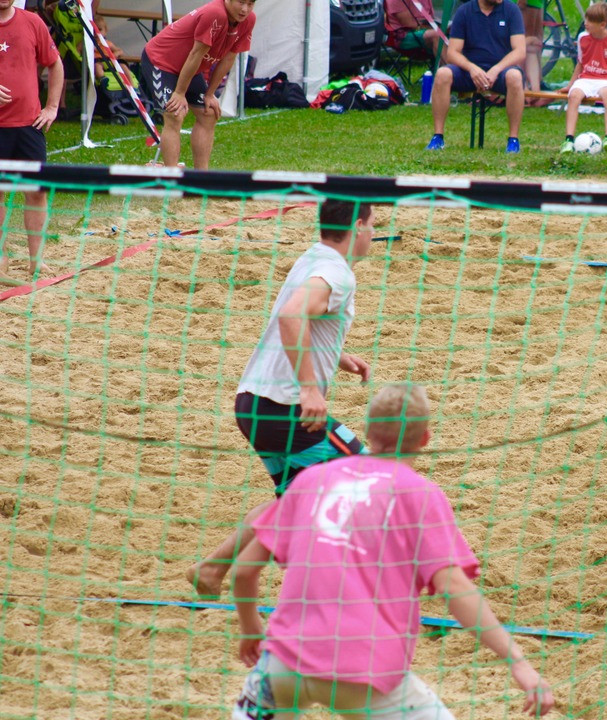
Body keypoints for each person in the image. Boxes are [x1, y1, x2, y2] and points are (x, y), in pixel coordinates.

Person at [230, 383, 556, 720]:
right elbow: (454, 587)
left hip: (283, 663)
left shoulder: (312, 479)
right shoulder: (419, 493)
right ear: (425, 439)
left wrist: (251, 627)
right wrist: (519, 663)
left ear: (367, 432)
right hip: (365, 671)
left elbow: (242, 570)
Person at [186, 199, 374, 598]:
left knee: (291, 502)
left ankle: (212, 570)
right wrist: (309, 387)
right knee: (369, 479)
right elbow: (291, 317)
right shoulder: (336, 273)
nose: (374, 233)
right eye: (373, 225)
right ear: (358, 226)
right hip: (284, 408)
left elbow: (299, 318)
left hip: (252, 404)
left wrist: (337, 355)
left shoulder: (312, 257)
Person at [140, 0, 256, 169]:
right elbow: (196, 54)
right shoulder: (215, 14)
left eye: (250, 4)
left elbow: (229, 57)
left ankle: (201, 177)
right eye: (240, 2)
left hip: (189, 67)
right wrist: (179, 93)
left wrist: (210, 94)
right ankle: (171, 175)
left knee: (209, 113)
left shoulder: (249, 20)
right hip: (161, 62)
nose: (245, 9)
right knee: (175, 113)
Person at [0, 0, 63, 283]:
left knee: (36, 192)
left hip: (28, 125)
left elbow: (55, 63)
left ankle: (36, 260)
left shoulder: (33, 22)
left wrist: (51, 107)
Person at [427, 0, 525, 153]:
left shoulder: (512, 10)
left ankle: (513, 140)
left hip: (500, 72)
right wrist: (472, 68)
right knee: (442, 74)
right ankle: (438, 137)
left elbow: (520, 51)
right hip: (469, 72)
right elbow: (452, 53)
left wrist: (497, 69)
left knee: (515, 76)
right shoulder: (464, 12)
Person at [558, 2, 607, 154]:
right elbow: (580, 63)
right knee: (574, 96)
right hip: (586, 78)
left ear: (603, 24)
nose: (586, 23)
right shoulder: (583, 38)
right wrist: (571, 85)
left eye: (590, 21)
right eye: (586, 19)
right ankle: (569, 140)